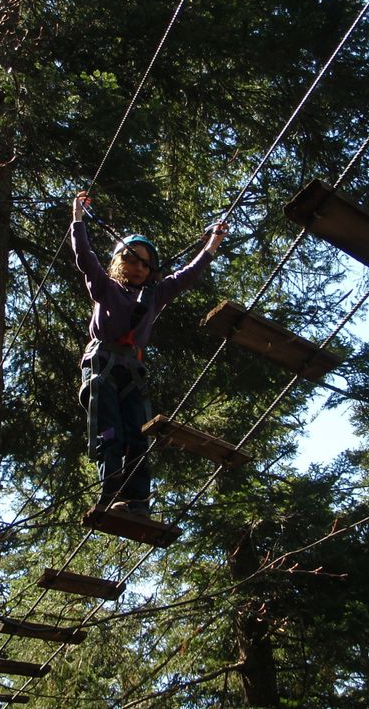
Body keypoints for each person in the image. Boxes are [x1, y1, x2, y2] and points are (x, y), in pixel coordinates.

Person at [71, 190, 228, 517]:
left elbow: (187, 276)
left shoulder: (155, 295)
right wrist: (78, 219)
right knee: (110, 432)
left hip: (132, 372)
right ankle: (110, 495)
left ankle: (139, 502)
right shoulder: (105, 287)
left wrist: (211, 245)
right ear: (117, 262)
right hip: (102, 367)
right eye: (130, 259)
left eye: (145, 262)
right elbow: (85, 259)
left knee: (138, 437)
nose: (139, 267)